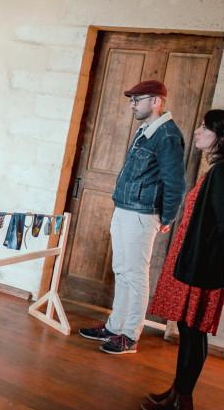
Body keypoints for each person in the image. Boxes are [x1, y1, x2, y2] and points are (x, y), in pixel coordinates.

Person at [141, 109, 224, 410]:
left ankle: (182, 404)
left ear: (223, 136)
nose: (199, 130)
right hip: (204, 264)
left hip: (203, 267)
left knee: (193, 334)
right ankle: (177, 391)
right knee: (192, 333)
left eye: (206, 127)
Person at [79, 80, 186, 354]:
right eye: (132, 100)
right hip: (124, 209)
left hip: (142, 214)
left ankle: (130, 336)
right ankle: (115, 326)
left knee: (136, 274)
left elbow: (175, 183)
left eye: (137, 100)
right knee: (121, 271)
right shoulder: (146, 131)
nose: (132, 105)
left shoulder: (168, 135)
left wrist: (167, 217)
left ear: (156, 101)